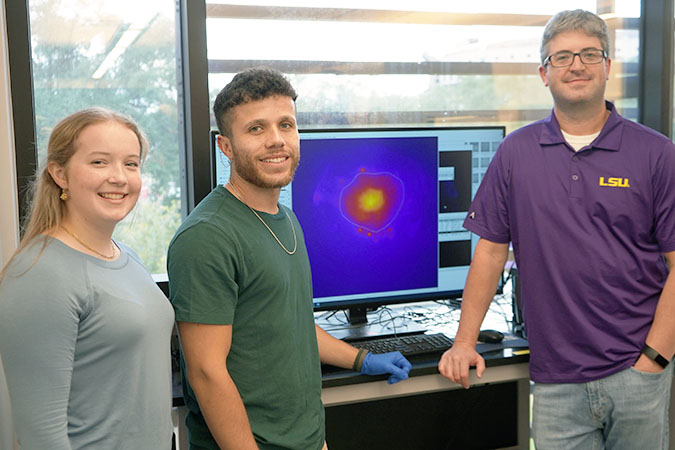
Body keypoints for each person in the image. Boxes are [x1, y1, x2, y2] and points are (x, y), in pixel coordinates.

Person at [438, 9, 675, 450]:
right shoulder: (515, 153)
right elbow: (490, 253)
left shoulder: (657, 155)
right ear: (544, 73)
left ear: (608, 66)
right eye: (562, 57)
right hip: (554, 381)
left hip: (635, 371)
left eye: (589, 53)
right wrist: (464, 342)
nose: (576, 65)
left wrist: (655, 357)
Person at [167, 67, 412, 450]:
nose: (276, 140)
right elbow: (205, 373)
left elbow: (292, 327)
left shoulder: (286, 219)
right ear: (226, 147)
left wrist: (361, 359)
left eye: (286, 125)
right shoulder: (207, 236)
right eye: (256, 129)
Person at [0, 108, 175, 449]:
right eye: (99, 162)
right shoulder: (38, 274)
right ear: (59, 174)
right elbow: (42, 436)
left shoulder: (126, 255)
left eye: (131, 163)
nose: (119, 177)